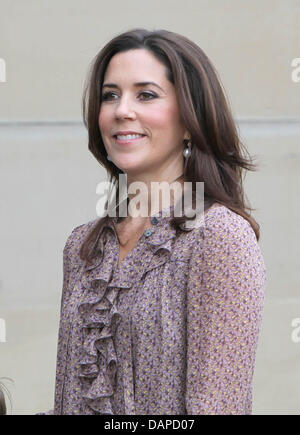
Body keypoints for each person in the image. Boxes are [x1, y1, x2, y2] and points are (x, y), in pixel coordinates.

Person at [38, 28, 266, 415]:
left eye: (146, 94)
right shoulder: (83, 246)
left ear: (190, 121)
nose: (122, 110)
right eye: (110, 95)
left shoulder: (219, 237)